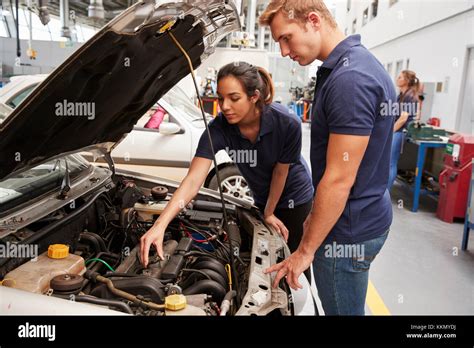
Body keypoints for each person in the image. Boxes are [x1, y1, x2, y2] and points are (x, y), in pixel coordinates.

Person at [259, 0, 396, 315]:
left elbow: (339, 179)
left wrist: (305, 251)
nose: (283, 51)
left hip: (346, 234)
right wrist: (312, 222)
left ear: (312, 20)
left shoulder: (350, 81)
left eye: (286, 38)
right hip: (363, 216)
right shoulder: (353, 65)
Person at [140, 62, 314, 281]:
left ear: (254, 96)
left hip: (294, 197)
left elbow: (281, 173)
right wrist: (160, 224)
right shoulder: (219, 128)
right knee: (267, 265)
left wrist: (269, 212)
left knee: (295, 268)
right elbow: (194, 180)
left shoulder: (287, 122)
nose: (225, 106)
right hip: (262, 197)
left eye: (234, 98)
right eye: (221, 98)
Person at [388, 70, 421, 189]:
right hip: (397, 130)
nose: (397, 78)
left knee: (391, 163)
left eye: (400, 77)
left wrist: (390, 132)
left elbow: (403, 118)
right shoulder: (401, 95)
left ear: (406, 81)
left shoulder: (410, 96)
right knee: (389, 163)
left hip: (400, 132)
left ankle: (386, 192)